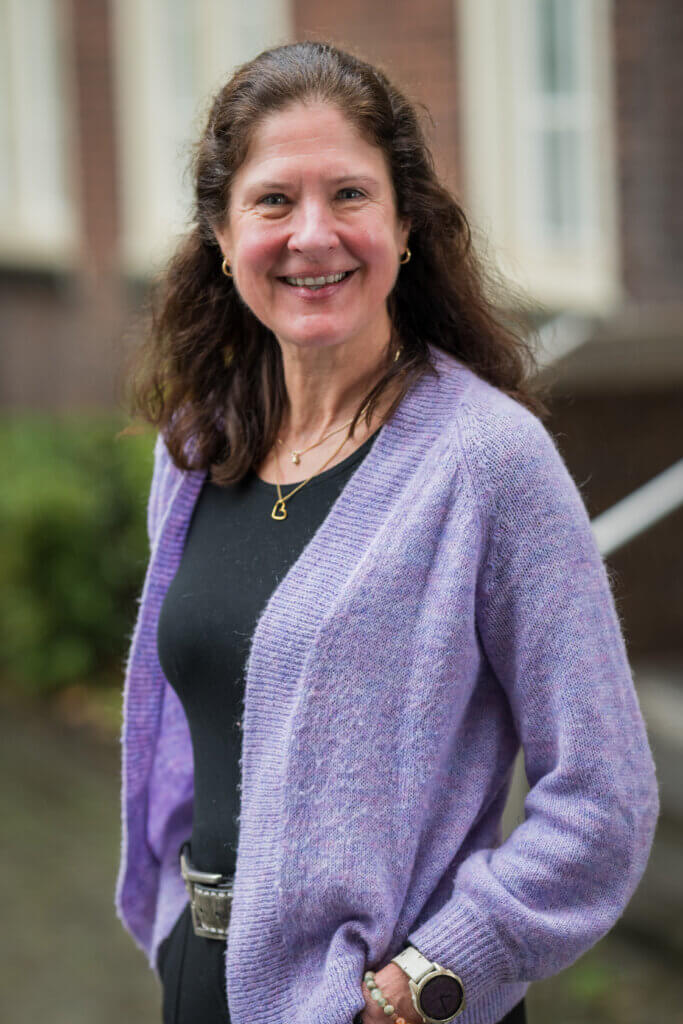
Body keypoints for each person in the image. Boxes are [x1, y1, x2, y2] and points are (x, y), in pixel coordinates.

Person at [114, 41, 659, 1024]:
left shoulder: (487, 461)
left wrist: (423, 982)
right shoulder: (196, 451)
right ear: (222, 235)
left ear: (404, 224)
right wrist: (170, 924)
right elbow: (200, 735)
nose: (312, 234)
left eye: (349, 195)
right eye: (273, 200)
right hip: (199, 982)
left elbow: (602, 800)